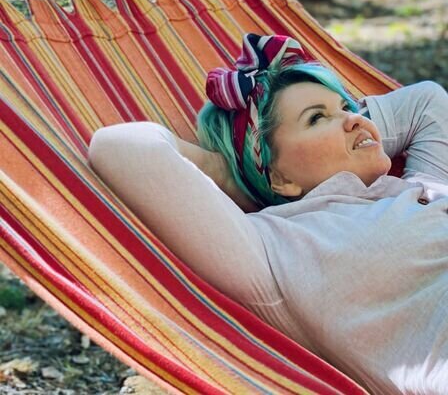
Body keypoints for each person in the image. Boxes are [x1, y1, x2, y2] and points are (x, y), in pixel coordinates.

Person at [88, 33, 448, 395]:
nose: (353, 118)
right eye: (316, 118)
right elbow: (122, 147)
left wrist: (351, 130)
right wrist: (233, 171)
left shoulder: (421, 185)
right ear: (279, 177)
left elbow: (427, 102)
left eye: (346, 107)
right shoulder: (275, 245)